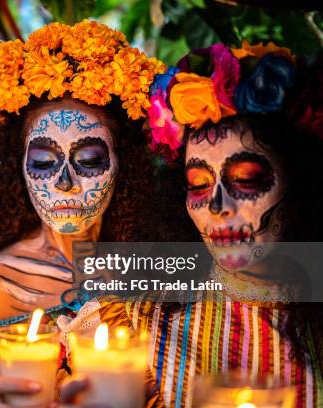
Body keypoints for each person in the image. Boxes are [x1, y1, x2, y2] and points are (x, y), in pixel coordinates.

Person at [0, 20, 188, 408]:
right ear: (18, 168)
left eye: (89, 160)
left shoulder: (158, 258)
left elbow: (287, 274)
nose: (65, 183)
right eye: (43, 162)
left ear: (125, 165)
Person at [61, 42, 323, 407]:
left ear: (303, 182)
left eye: (246, 180)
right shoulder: (133, 318)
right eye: (198, 184)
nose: (216, 206)